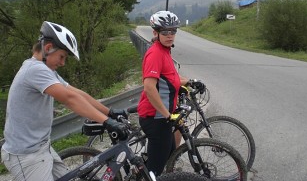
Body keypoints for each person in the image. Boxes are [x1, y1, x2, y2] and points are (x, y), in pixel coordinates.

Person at [1, 21, 129, 181]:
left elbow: (76, 93)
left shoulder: (46, 70)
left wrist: (109, 112)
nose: (62, 62)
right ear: (48, 48)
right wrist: (107, 122)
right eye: (62, 56)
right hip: (26, 157)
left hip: (41, 148)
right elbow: (70, 99)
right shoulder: (35, 70)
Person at [137, 10, 204, 176]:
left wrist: (190, 81)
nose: (170, 35)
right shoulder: (155, 54)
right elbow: (149, 87)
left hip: (163, 117)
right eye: (165, 32)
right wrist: (168, 115)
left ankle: (144, 171)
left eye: (173, 31)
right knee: (155, 170)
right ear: (155, 32)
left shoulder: (165, 51)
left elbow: (171, 78)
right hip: (155, 118)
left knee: (169, 155)